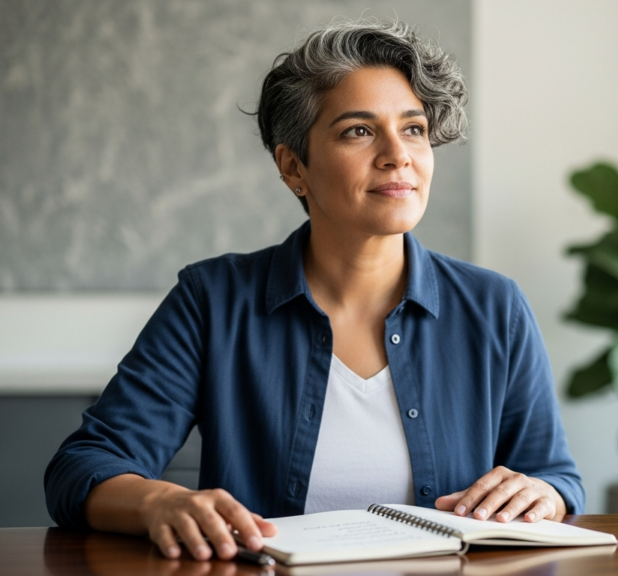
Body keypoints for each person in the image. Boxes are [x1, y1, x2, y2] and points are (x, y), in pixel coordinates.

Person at [44, 19, 583, 563]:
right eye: (359, 131)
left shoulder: (495, 306)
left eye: (414, 128)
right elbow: (86, 465)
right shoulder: (212, 299)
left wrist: (546, 494)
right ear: (293, 166)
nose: (399, 155)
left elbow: (555, 477)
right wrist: (160, 501)